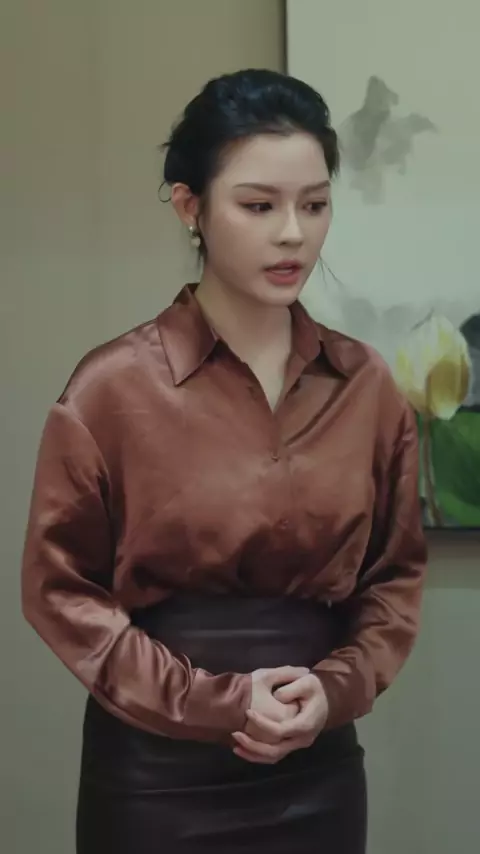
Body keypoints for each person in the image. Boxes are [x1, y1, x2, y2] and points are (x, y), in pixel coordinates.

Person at [21, 68, 427, 854]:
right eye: (259, 205)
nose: (293, 234)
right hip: (157, 775)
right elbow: (59, 591)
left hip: (316, 768)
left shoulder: (366, 385)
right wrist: (216, 702)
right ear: (190, 206)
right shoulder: (111, 387)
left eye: (315, 204)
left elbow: (394, 581)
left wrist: (335, 690)